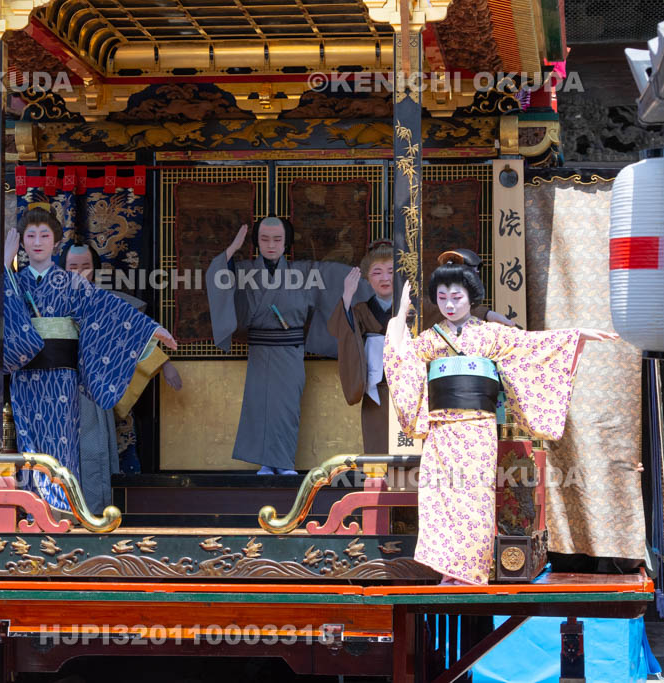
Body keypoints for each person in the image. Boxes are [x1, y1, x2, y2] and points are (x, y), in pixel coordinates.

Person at [382, 249, 618, 585]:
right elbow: (402, 357)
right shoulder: (432, 339)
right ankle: (447, 570)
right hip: (442, 429)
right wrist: (400, 315)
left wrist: (577, 335)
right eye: (443, 297)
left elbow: (531, 346)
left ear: (470, 297)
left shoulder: (490, 334)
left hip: (477, 428)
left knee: (474, 499)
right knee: (440, 497)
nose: (450, 304)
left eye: (457, 296)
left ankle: (468, 571)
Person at [3, 205, 177, 512]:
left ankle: (61, 510)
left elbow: (108, 310)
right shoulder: (12, 280)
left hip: (63, 377)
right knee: (29, 443)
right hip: (26, 374)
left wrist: (151, 329)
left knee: (62, 441)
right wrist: (4, 268)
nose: (38, 241)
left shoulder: (72, 283)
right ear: (21, 243)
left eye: (45, 234)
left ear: (56, 242)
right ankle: (32, 510)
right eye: (31, 235)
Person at [205, 217, 372, 474]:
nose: (271, 245)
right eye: (264, 239)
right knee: (259, 406)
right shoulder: (245, 271)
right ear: (256, 242)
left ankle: (283, 463)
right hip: (260, 349)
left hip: (290, 349)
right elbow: (218, 278)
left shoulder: (304, 272)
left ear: (287, 243)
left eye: (277, 239)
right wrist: (230, 251)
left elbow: (331, 278)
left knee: (286, 409)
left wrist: (363, 286)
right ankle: (265, 463)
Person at [328, 242, 514, 453]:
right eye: (377, 272)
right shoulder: (361, 311)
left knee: (412, 447)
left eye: (390, 271)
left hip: (412, 387)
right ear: (367, 278)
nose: (384, 278)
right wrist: (347, 296)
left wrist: (490, 315)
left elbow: (457, 310)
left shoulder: (418, 307)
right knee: (378, 444)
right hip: (378, 388)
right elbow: (339, 331)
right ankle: (378, 484)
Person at [61, 241, 182, 511]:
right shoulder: (49, 300)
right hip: (55, 387)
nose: (79, 273)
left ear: (96, 269)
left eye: (85, 267)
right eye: (72, 267)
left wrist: (165, 363)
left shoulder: (105, 304)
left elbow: (132, 337)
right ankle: (57, 511)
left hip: (90, 388)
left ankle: (95, 512)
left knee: (94, 451)